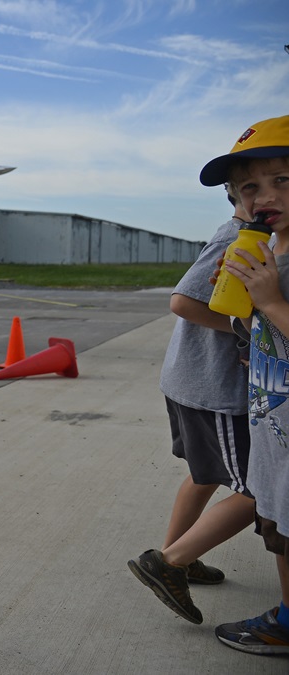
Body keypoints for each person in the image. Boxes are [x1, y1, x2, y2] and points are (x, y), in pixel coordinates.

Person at [127, 191, 256, 625]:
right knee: (261, 492)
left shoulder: (251, 236)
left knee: (204, 476)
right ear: (237, 196)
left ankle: (176, 558)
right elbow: (183, 301)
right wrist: (248, 329)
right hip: (214, 389)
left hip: (193, 383)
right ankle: (171, 563)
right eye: (256, 186)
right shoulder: (237, 239)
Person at [196, 115, 289, 656]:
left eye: (283, 181)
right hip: (276, 430)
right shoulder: (270, 254)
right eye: (249, 187)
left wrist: (273, 301)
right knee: (280, 531)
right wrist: (245, 310)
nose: (264, 196)